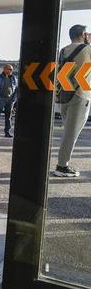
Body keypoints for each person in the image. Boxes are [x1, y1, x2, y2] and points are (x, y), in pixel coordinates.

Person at [54, 25, 91, 177]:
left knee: (68, 132)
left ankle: (63, 164)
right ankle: (62, 166)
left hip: (64, 96)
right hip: (80, 96)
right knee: (71, 134)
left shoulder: (63, 50)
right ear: (82, 34)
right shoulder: (87, 50)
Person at [0, 64, 17, 138]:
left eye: (11, 69)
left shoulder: (14, 78)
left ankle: (7, 132)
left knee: (8, 117)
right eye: (9, 69)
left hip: (10, 100)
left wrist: (13, 99)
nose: (11, 71)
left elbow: (16, 89)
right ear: (4, 69)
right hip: (1, 99)